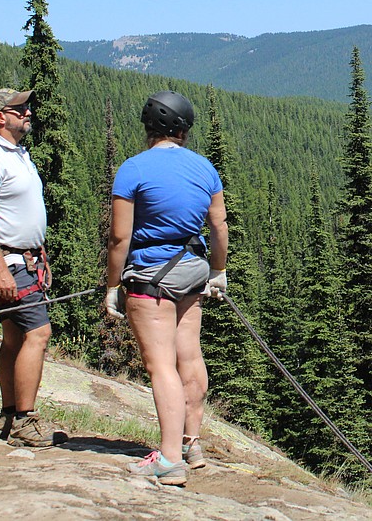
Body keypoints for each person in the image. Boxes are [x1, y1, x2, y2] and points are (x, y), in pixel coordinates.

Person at [105, 90, 228, 486]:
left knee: (161, 366)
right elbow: (219, 226)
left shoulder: (133, 169)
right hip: (193, 269)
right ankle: (192, 445)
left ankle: (169, 459)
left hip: (151, 276)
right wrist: (218, 271)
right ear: (183, 129)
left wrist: (112, 285)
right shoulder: (205, 168)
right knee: (188, 357)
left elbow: (119, 239)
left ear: (149, 128)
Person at [0, 88, 67, 447]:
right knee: (38, 335)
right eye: (19, 108)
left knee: (13, 337)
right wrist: (1, 270)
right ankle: (25, 420)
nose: (27, 112)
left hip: (24, 259)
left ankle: (9, 416)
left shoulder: (16, 154)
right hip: (7, 262)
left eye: (27, 107)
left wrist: (38, 253)